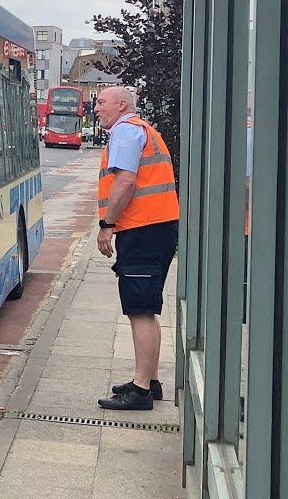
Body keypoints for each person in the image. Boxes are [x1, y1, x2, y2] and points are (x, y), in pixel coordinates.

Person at [93, 86, 180, 410]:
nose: (97, 107)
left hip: (142, 229)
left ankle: (140, 391)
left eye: (101, 102)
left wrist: (107, 225)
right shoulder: (142, 130)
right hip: (156, 228)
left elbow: (126, 181)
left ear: (121, 104)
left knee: (139, 310)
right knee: (146, 307)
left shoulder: (126, 132)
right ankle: (150, 380)